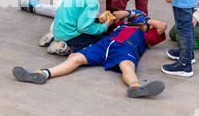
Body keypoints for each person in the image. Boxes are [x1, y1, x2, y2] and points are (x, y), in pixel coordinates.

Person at [12, 14, 167, 99]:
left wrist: (144, 19)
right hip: (105, 43)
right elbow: (108, 18)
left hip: (126, 47)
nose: (138, 23)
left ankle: (136, 87)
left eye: (143, 23)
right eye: (137, 21)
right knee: (75, 58)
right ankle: (44, 73)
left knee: (126, 65)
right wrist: (128, 14)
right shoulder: (120, 26)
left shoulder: (147, 36)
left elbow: (162, 26)